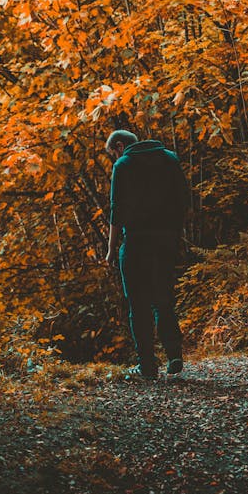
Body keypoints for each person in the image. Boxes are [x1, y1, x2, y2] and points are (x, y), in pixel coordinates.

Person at [105, 130, 189, 379]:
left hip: (137, 242)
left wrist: (111, 249)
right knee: (163, 298)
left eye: (112, 153)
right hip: (166, 240)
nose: (114, 158)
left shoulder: (123, 165)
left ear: (120, 146)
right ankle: (174, 354)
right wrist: (174, 233)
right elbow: (183, 199)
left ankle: (148, 366)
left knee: (138, 305)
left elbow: (116, 211)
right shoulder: (170, 158)